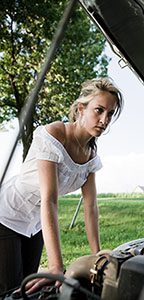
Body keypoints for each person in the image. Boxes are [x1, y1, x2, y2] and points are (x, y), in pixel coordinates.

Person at [0, 77, 123, 294]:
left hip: (36, 225)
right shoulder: (53, 135)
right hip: (7, 215)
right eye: (99, 110)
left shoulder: (91, 155)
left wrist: (97, 256)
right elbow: (50, 199)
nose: (104, 119)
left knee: (30, 289)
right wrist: (57, 265)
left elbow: (91, 207)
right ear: (80, 109)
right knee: (9, 289)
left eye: (110, 113)